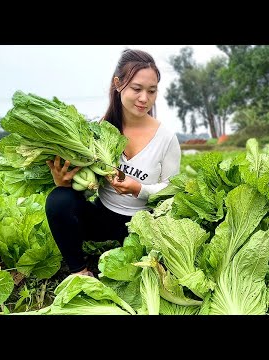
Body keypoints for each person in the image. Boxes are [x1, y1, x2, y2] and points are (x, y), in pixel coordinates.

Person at [45, 49, 182, 277]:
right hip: (104, 216)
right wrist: (65, 183)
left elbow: (172, 189)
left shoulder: (166, 138)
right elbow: (87, 183)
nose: (144, 98)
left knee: (155, 264)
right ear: (118, 84)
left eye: (152, 91)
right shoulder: (100, 131)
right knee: (58, 200)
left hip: (145, 223)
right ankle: (79, 271)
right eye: (136, 89)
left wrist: (139, 189)